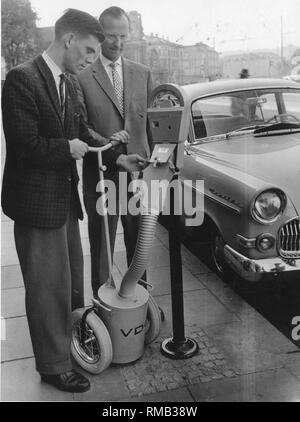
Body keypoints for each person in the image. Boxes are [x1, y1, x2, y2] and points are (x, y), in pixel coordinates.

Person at [1, 8, 147, 393]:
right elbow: (23, 144)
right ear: (67, 39)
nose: (90, 59)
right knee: (48, 289)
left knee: (71, 286)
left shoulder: (68, 81)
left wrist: (118, 156)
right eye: (87, 50)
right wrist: (68, 147)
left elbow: (83, 130)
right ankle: (53, 367)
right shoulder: (21, 78)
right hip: (36, 207)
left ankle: (71, 349)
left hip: (63, 203)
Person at [77, 7, 153, 298]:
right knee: (102, 250)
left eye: (123, 36)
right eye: (111, 36)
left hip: (138, 178)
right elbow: (81, 128)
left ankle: (141, 306)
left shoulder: (143, 73)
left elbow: (152, 126)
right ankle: (101, 308)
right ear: (99, 35)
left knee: (141, 248)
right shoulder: (81, 78)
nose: (118, 43)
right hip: (102, 176)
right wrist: (108, 143)